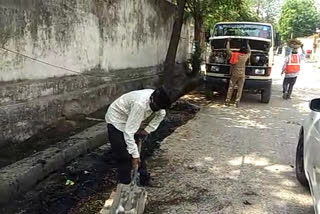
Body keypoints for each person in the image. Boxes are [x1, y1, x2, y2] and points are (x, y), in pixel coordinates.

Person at [105, 87, 171, 185]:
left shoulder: (160, 105)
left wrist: (147, 130)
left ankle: (144, 180)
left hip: (131, 118)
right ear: (151, 100)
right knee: (123, 155)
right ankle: (125, 183)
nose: (157, 109)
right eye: (155, 107)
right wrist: (135, 156)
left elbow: (161, 114)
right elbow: (129, 132)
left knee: (138, 151)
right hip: (116, 119)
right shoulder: (140, 104)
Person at [225, 39, 251, 107]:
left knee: (231, 87)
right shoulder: (245, 57)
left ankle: (227, 101)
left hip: (234, 74)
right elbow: (249, 52)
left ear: (239, 50)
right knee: (240, 89)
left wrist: (228, 42)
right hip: (242, 75)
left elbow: (227, 50)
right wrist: (248, 44)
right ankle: (237, 102)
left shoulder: (234, 55)